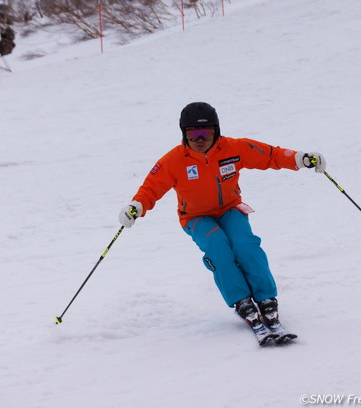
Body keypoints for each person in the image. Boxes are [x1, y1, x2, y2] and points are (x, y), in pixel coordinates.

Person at [118, 102, 326, 343]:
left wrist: (301, 159)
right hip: (195, 217)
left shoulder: (233, 148)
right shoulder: (173, 161)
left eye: (205, 133)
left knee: (245, 246)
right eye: (192, 133)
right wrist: (137, 206)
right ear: (183, 133)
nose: (199, 139)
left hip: (230, 209)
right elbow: (151, 188)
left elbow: (270, 155)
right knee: (219, 248)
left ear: (216, 131)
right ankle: (242, 302)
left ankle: (267, 299)